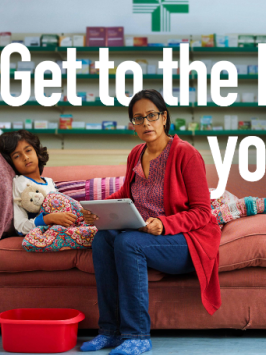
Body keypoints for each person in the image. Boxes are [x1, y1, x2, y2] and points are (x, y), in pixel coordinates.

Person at [80, 90, 221, 355]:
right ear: (132, 125)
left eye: (152, 116)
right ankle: (109, 331)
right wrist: (99, 210)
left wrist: (164, 225)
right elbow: (125, 194)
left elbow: (203, 212)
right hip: (145, 235)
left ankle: (137, 335)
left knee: (127, 241)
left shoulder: (186, 154)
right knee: (102, 239)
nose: (146, 123)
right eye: (138, 118)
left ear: (164, 117)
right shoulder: (136, 154)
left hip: (186, 241)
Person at [0, 130, 95, 235]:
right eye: (17, 156)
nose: (26, 157)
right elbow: (20, 227)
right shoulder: (19, 183)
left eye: (28, 150)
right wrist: (48, 219)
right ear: (10, 163)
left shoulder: (50, 182)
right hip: (47, 232)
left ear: (37, 152)